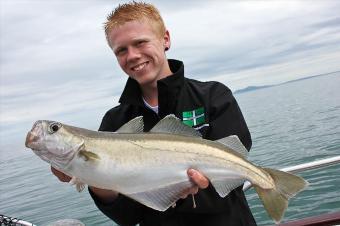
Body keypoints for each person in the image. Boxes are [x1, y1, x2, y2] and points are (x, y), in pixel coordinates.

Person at [52, 2, 256, 226]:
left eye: (140, 42)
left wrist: (176, 191)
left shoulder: (213, 96)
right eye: (121, 50)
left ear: (165, 39)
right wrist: (92, 176)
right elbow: (127, 217)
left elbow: (233, 176)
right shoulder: (115, 122)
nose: (132, 55)